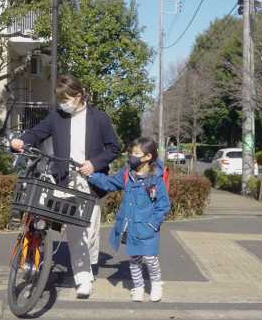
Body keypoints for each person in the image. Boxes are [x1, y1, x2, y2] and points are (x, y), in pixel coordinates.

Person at [10, 74, 121, 299]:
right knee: (75, 229)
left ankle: (87, 268)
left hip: (91, 180)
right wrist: (21, 141)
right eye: (60, 99)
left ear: (79, 96)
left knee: (90, 232)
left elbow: (114, 147)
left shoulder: (99, 118)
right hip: (64, 178)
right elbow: (36, 133)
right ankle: (82, 277)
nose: (63, 103)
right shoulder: (57, 117)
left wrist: (95, 163)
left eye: (66, 99)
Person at [87, 137, 170, 302]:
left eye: (136, 153)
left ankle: (156, 284)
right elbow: (109, 183)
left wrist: (153, 224)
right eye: (131, 153)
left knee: (151, 259)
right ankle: (138, 287)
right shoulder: (127, 175)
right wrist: (91, 175)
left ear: (148, 157)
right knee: (134, 260)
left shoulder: (156, 179)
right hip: (130, 226)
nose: (132, 156)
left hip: (148, 228)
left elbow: (163, 205)